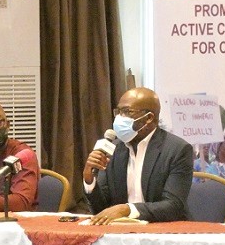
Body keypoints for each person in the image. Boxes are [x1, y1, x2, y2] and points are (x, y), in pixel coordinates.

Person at [83, 87, 193, 224]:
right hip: (121, 233)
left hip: (164, 232)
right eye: (118, 112)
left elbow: (173, 206)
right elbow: (102, 209)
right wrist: (89, 180)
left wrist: (128, 209)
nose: (119, 118)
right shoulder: (114, 149)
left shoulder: (178, 150)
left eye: (127, 112)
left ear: (148, 118)